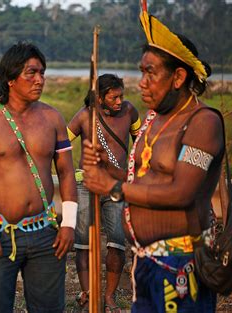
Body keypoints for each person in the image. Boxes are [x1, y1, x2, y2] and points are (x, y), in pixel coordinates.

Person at [82, 8, 223, 313]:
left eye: (150, 72)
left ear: (179, 77)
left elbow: (181, 192)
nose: (142, 82)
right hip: (146, 263)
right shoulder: (154, 120)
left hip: (182, 268)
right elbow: (142, 181)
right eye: (142, 71)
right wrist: (109, 171)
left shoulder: (202, 123)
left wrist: (113, 188)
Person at [0, 42, 78, 313]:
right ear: (11, 79)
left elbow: (67, 172)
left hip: (46, 233)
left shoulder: (52, 118)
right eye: (31, 73)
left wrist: (69, 223)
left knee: (49, 309)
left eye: (42, 73)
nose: (40, 80)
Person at [67, 74, 140, 312]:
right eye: (114, 97)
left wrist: (135, 176)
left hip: (116, 187)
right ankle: (88, 294)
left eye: (121, 96)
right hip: (86, 185)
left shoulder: (130, 112)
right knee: (83, 243)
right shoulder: (84, 116)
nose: (119, 101)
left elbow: (140, 145)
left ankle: (109, 297)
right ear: (99, 98)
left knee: (117, 243)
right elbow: (61, 145)